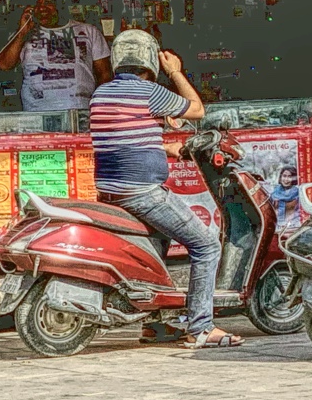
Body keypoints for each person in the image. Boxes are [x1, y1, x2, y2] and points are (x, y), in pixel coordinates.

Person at [88, 30, 236, 349]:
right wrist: (175, 72)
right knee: (207, 243)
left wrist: (165, 149)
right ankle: (200, 327)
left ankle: (155, 325)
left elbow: (124, 138)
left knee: (157, 245)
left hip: (111, 189)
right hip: (141, 191)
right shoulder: (147, 91)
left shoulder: (101, 94)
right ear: (149, 61)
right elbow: (196, 110)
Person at [0, 0, 110, 112]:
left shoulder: (88, 31)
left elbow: (105, 74)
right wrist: (22, 33)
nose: (42, 8)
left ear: (61, 4)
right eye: (37, 4)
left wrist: (98, 107)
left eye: (48, 2)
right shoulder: (23, 34)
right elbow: (4, 65)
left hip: (80, 112)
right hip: (37, 113)